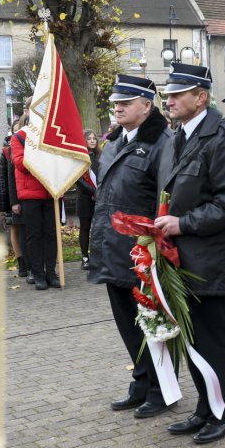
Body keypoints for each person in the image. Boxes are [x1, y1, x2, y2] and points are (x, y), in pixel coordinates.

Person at [155, 62, 225, 443]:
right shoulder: (177, 137)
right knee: (192, 337)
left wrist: (183, 224)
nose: (170, 99)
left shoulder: (222, 140)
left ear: (201, 97)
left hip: (209, 258)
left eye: (178, 93)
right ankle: (204, 408)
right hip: (180, 259)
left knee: (211, 336)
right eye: (168, 93)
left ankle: (224, 413)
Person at [88, 75, 172, 418]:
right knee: (127, 322)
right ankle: (140, 383)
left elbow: (165, 199)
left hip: (143, 251)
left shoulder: (162, 142)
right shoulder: (114, 142)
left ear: (146, 106)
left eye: (126, 102)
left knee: (151, 322)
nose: (118, 107)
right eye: (115, 102)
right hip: (113, 247)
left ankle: (161, 389)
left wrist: (155, 250)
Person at [11, 118, 59, 291]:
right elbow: (19, 162)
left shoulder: (49, 135)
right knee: (34, 234)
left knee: (51, 234)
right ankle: (38, 273)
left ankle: (51, 273)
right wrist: (41, 157)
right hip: (30, 194)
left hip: (50, 190)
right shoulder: (18, 137)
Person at [0, 120, 27, 280]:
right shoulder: (6, 151)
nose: (18, 132)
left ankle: (30, 261)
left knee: (27, 230)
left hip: (27, 193)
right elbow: (2, 178)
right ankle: (21, 262)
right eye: (15, 130)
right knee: (16, 229)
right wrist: (6, 202)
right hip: (13, 196)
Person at [76, 129, 100, 270]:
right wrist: (92, 191)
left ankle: (97, 257)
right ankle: (85, 257)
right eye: (89, 138)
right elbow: (78, 179)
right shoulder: (80, 157)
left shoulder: (100, 156)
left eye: (94, 138)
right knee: (85, 228)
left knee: (97, 228)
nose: (92, 140)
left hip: (99, 197)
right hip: (84, 197)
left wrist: (99, 192)